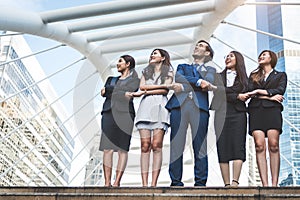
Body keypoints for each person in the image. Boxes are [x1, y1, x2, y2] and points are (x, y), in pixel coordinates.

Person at [165, 40, 216, 186]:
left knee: (200, 146)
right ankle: (175, 182)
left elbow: (209, 83)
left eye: (200, 46)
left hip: (199, 108)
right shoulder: (182, 66)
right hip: (178, 107)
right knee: (176, 145)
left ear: (207, 53)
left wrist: (186, 85)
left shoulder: (211, 71)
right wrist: (199, 82)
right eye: (196, 45)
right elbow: (180, 78)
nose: (196, 47)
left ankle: (200, 183)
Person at [132, 48, 174, 187]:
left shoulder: (169, 71)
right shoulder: (145, 71)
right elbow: (141, 86)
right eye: (151, 53)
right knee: (144, 146)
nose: (152, 55)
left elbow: (165, 90)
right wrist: (159, 86)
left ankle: (153, 184)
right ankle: (144, 184)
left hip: (160, 107)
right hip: (145, 108)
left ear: (163, 58)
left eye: (155, 53)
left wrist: (148, 90)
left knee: (157, 145)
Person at [247, 50, 287, 187]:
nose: (261, 57)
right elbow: (250, 92)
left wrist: (258, 92)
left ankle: (274, 184)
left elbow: (280, 91)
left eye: (264, 55)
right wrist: (268, 96)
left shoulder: (281, 75)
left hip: (272, 111)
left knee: (274, 145)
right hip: (256, 111)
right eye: (260, 55)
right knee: (259, 146)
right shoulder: (253, 76)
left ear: (272, 58)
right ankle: (264, 185)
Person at [99, 55, 140, 187]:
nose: (117, 64)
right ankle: (107, 183)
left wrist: (110, 91)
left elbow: (110, 92)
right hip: (109, 113)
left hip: (125, 115)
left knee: (123, 149)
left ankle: (117, 182)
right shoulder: (110, 79)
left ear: (128, 64)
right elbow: (106, 92)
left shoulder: (135, 80)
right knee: (107, 149)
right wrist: (122, 93)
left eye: (120, 61)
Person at [210, 51, 248, 187]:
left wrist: (224, 90)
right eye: (226, 56)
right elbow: (218, 92)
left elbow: (241, 89)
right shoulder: (217, 76)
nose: (228, 58)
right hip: (221, 112)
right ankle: (226, 184)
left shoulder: (244, 78)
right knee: (222, 145)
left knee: (238, 144)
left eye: (231, 56)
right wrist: (237, 96)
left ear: (238, 59)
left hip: (238, 113)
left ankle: (235, 182)